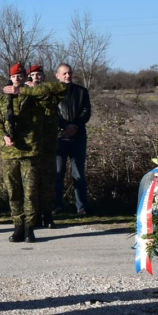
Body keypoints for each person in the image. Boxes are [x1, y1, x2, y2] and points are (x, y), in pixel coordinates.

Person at [0, 64, 67, 243]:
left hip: (30, 151)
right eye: (14, 77)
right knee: (13, 191)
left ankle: (29, 227)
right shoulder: (3, 100)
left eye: (20, 76)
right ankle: (18, 225)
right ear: (10, 78)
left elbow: (60, 87)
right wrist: (3, 136)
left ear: (25, 78)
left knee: (30, 192)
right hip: (9, 152)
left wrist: (24, 91)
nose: (16, 79)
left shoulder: (35, 96)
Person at [54, 63, 92, 218]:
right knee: (58, 174)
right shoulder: (52, 94)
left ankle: (81, 207)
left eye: (69, 73)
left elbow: (86, 111)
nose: (67, 76)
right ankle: (57, 206)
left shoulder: (81, 91)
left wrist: (74, 126)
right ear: (57, 76)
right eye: (64, 73)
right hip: (59, 138)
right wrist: (64, 126)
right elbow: (52, 113)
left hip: (78, 137)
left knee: (78, 174)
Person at [26, 65, 61, 228]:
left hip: (47, 143)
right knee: (32, 183)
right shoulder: (24, 94)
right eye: (33, 75)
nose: (36, 78)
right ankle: (33, 216)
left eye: (39, 75)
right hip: (30, 145)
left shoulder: (50, 91)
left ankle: (47, 215)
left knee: (47, 181)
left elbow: (61, 88)